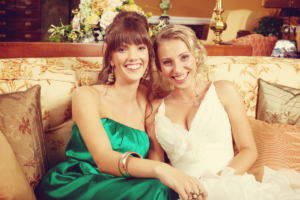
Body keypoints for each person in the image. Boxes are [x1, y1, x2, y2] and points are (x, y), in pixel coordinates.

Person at [38, 13, 208, 200]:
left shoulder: (147, 97)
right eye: (122, 49)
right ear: (111, 58)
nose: (133, 57)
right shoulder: (87, 95)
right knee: (160, 189)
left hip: (127, 184)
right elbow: (103, 160)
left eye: (141, 47)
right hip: (79, 183)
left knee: (166, 189)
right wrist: (163, 170)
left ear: (149, 56)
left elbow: (159, 151)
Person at [146, 24, 300, 200]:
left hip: (231, 186)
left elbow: (248, 150)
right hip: (182, 193)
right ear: (159, 66)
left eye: (184, 57)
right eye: (167, 62)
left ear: (196, 56)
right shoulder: (154, 110)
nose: (178, 69)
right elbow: (157, 167)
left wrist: (212, 185)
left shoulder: (223, 90)